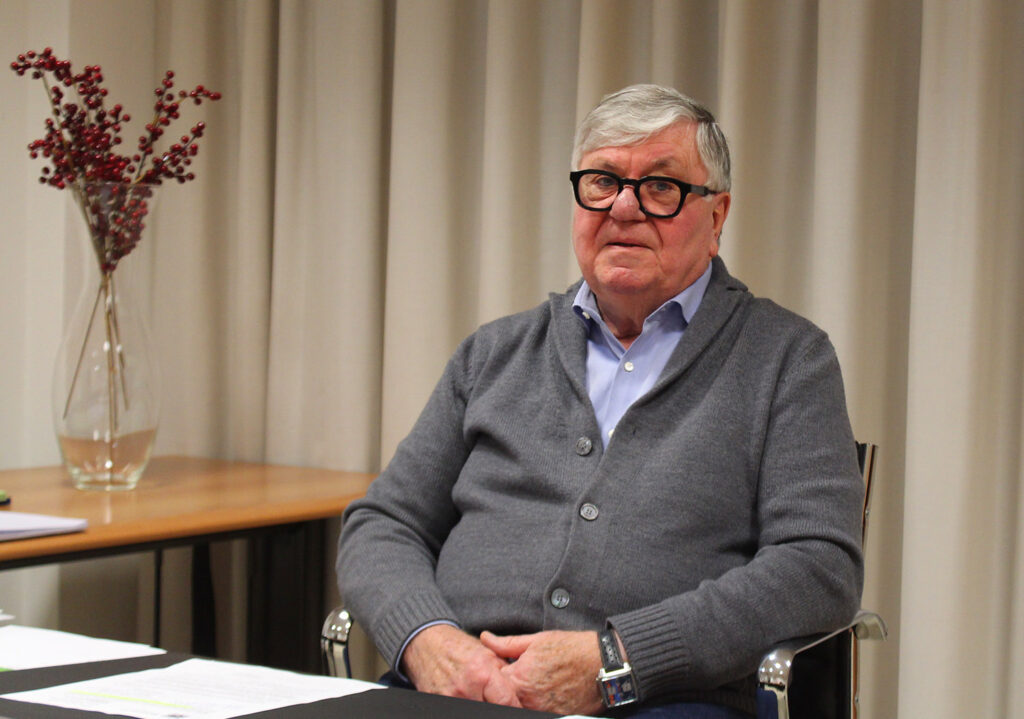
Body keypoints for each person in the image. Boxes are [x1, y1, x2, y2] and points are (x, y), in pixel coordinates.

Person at [336, 84, 864, 718]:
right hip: (457, 688)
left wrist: (619, 661)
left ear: (717, 217)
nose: (623, 207)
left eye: (661, 187)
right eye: (602, 181)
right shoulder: (494, 353)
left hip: (665, 699)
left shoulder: (787, 359)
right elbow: (383, 524)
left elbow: (818, 568)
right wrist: (429, 643)